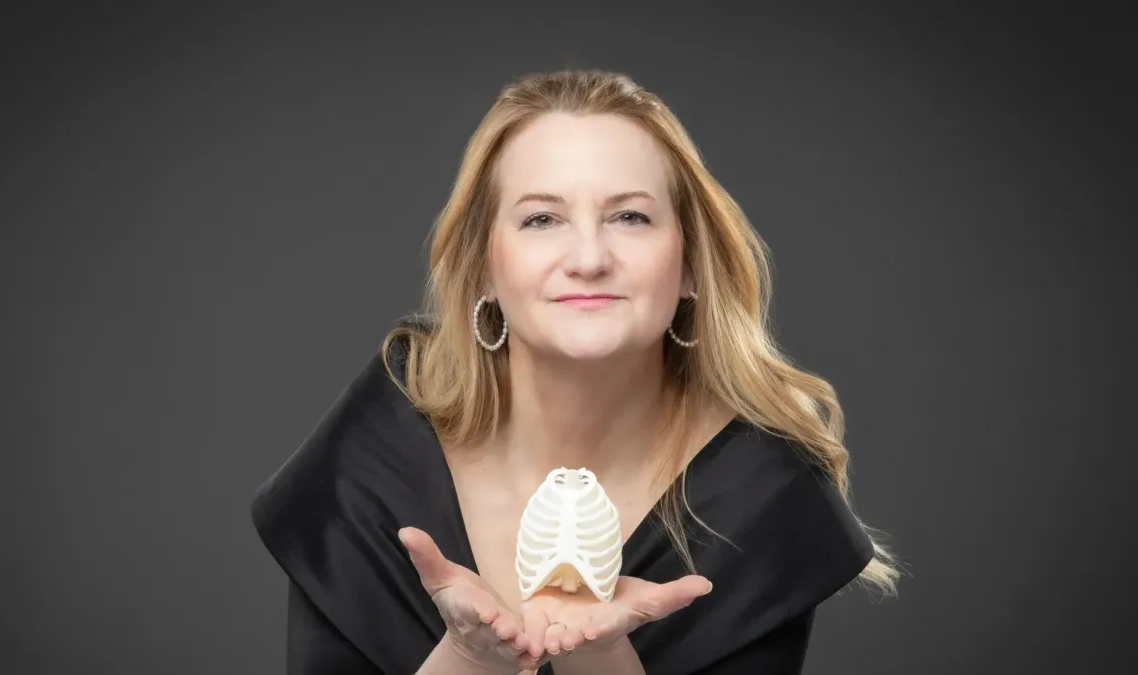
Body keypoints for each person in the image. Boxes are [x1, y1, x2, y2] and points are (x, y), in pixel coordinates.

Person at [251, 69, 900, 675]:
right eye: (541, 218)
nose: (588, 257)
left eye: (630, 216)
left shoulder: (760, 498)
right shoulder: (374, 456)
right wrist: (469, 658)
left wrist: (602, 655)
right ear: (483, 267)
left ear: (691, 265)